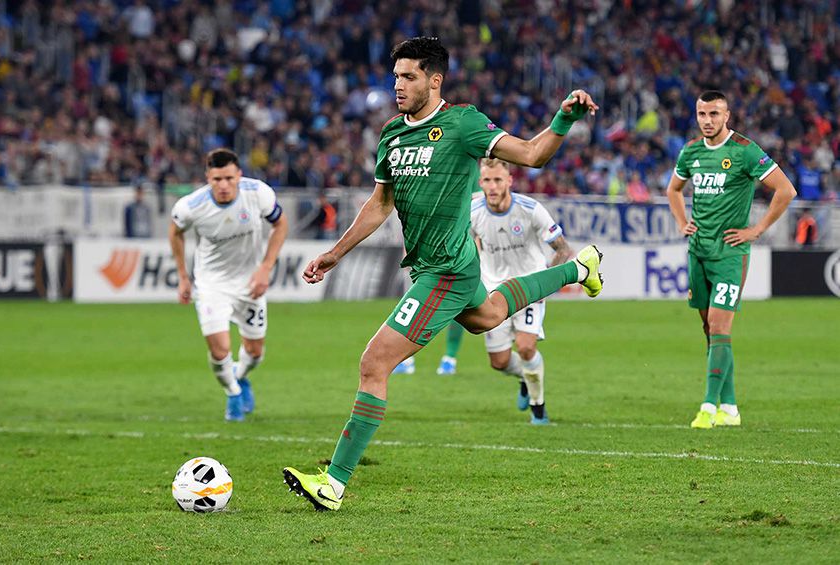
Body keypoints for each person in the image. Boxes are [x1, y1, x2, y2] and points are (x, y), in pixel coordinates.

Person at [282, 37, 603, 510]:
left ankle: (334, 483)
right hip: (439, 266)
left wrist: (564, 119)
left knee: (374, 364)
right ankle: (580, 267)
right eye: (395, 76)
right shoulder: (392, 134)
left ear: (435, 80)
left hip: (447, 271)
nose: (398, 85)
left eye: (409, 76)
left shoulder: (462, 123)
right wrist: (336, 252)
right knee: (489, 314)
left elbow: (533, 155)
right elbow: (380, 203)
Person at [665, 90, 796, 430]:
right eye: (702, 114)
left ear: (727, 116)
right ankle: (732, 408)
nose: (707, 120)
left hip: (729, 254)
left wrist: (757, 229)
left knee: (721, 328)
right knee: (711, 331)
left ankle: (708, 407)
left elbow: (786, 190)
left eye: (714, 114)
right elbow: (673, 190)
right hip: (699, 252)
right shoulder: (691, 151)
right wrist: (682, 223)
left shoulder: (744, 151)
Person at [169, 148, 288, 421]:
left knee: (256, 353)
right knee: (220, 348)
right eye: (216, 180)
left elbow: (280, 224)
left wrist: (265, 268)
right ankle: (233, 393)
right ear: (207, 178)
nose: (223, 185)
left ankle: (240, 375)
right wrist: (183, 277)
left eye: (229, 178)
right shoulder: (191, 206)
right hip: (212, 285)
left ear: (239, 175)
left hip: (250, 283)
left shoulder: (258, 194)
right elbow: (175, 231)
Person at [471, 158, 574, 424]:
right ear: (480, 181)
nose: (492, 187)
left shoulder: (530, 209)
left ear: (509, 181)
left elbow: (563, 249)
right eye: (487, 180)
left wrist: (545, 282)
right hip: (493, 295)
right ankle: (525, 379)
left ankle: (538, 410)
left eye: (497, 180)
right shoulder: (472, 211)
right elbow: (467, 246)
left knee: (526, 347)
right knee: (499, 362)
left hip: (528, 289)